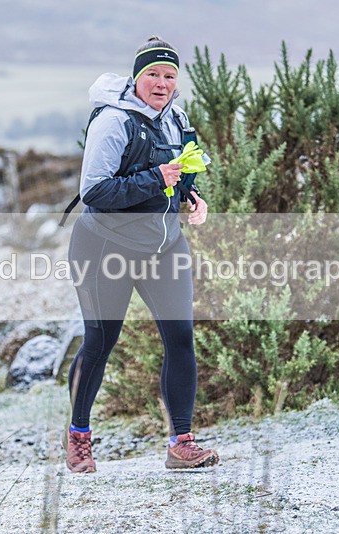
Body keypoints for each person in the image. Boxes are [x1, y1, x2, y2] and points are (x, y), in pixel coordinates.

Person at [64, 36, 219, 473]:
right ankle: (78, 437)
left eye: (169, 75)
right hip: (103, 246)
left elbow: (180, 175)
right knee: (101, 340)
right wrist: (158, 178)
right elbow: (94, 191)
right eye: (152, 73)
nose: (161, 82)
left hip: (164, 245)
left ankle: (181, 443)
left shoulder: (178, 120)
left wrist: (192, 197)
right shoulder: (112, 122)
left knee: (181, 338)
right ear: (136, 77)